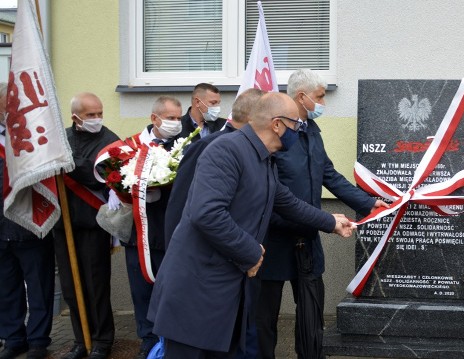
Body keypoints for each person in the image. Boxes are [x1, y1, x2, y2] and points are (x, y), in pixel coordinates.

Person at [148, 92, 355, 358]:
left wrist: (330, 221)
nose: (300, 131)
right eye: (296, 125)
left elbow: (287, 201)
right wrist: (251, 251)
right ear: (277, 125)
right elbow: (207, 213)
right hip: (197, 293)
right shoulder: (226, 150)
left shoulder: (262, 157)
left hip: (229, 292)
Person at [256, 69, 387, 359]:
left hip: (308, 239)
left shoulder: (311, 131)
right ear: (301, 97)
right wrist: (326, 221)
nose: (323, 102)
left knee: (312, 315)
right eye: (320, 96)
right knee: (264, 318)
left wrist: (366, 202)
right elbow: (276, 196)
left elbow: (329, 174)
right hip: (275, 241)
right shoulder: (276, 135)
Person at [163, 88, 265, 359]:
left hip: (230, 273)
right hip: (197, 278)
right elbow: (185, 210)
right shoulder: (214, 147)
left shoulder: (258, 154)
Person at [52, 93, 119, 359]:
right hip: (63, 223)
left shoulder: (110, 141)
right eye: (91, 114)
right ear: (75, 117)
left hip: (93, 224)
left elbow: (100, 176)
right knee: (70, 286)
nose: (97, 119)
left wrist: (69, 164)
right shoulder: (61, 140)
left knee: (95, 285)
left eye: (99, 113)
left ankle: (102, 341)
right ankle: (81, 340)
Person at [118, 96, 186, 359]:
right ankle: (148, 342)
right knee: (142, 291)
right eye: (170, 118)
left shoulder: (185, 147)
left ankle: (173, 341)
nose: (176, 123)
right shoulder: (132, 147)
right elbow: (117, 180)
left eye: (179, 118)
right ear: (154, 118)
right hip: (141, 235)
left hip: (173, 233)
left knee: (172, 291)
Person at [164, 88, 265, 248]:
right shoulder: (196, 139)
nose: (217, 107)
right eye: (213, 103)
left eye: (218, 102)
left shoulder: (223, 127)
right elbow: (182, 198)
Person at [0, 83, 55, 359]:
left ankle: (38, 340)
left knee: (38, 286)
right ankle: (13, 338)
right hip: (1, 228)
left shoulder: (30, 135)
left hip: (29, 224)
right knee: (6, 287)